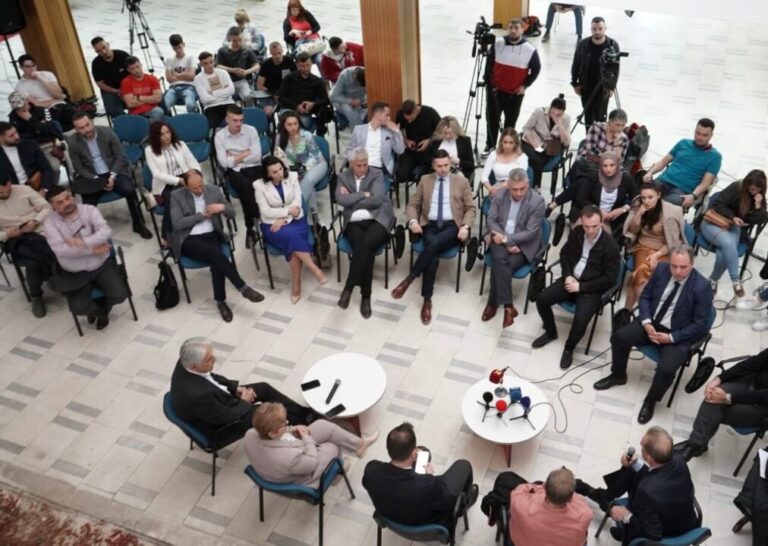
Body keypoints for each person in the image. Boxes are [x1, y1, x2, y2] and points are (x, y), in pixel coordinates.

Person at [594, 246, 713, 424]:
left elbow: (699, 324)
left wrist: (671, 338)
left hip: (677, 336)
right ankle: (618, 375)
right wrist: (646, 321)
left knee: (667, 369)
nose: (677, 271)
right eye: (674, 266)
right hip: (652, 323)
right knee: (620, 337)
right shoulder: (662, 269)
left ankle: (651, 400)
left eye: (683, 267)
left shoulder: (702, 287)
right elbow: (645, 297)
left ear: (692, 264)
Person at [170, 337, 319, 448]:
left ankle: (305, 415)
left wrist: (236, 389)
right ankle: (304, 430)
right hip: (221, 427)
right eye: (209, 359)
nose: (215, 359)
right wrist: (244, 402)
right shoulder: (198, 395)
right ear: (194, 366)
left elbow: (210, 377)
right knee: (269, 413)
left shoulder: (186, 362)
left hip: (219, 402)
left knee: (263, 388)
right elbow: (225, 417)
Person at [391, 150, 476, 325]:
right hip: (429, 225)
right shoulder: (425, 180)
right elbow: (412, 205)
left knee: (433, 244)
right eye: (439, 166)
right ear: (433, 166)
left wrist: (466, 226)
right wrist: (413, 221)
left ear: (450, 164)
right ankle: (427, 300)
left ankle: (410, 280)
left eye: (446, 165)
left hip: (452, 226)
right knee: (432, 253)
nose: (443, 169)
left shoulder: (461, 182)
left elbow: (471, 208)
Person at [170, 170, 264, 322]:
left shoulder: (213, 190)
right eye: (194, 188)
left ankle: (221, 302)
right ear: (186, 186)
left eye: (201, 185)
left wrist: (222, 208)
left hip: (212, 234)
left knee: (216, 262)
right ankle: (242, 288)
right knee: (215, 254)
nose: (199, 190)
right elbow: (177, 223)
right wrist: (201, 215)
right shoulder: (176, 196)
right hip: (189, 238)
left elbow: (232, 213)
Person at [533, 205, 620, 369]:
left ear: (601, 223)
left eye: (594, 226)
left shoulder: (611, 246)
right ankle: (551, 332)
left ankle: (569, 348)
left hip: (591, 289)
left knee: (580, 321)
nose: (590, 230)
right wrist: (567, 275)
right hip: (571, 280)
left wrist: (581, 287)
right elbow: (564, 254)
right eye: (587, 226)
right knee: (542, 299)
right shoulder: (578, 232)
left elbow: (609, 279)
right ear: (581, 222)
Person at [577, 427, 697, 544]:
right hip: (684, 519)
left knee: (617, 506)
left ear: (649, 457)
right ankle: (603, 496)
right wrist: (635, 463)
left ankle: (597, 496)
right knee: (631, 471)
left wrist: (627, 516)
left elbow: (653, 535)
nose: (639, 447)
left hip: (667, 532)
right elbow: (658, 479)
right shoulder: (679, 460)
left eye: (642, 447)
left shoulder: (646, 491)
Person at [362, 422, 479, 530]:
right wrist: (430, 477)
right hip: (427, 524)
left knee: (424, 451)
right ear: (413, 454)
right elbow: (448, 503)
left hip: (391, 516)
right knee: (463, 465)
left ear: (388, 449)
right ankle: (463, 505)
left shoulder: (371, 470)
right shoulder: (427, 484)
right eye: (415, 450)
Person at [43, 186, 128, 330]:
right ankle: (100, 312)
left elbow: (105, 232)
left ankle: (103, 308)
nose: (66, 203)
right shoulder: (50, 224)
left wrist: (82, 243)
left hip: (101, 264)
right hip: (74, 271)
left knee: (120, 295)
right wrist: (92, 249)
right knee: (78, 307)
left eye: (68, 198)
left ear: (72, 196)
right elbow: (61, 250)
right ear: (53, 207)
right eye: (60, 202)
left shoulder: (89, 210)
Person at [244, 401, 378, 486]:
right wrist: (306, 438)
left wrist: (292, 429)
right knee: (331, 447)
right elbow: (311, 463)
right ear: (273, 433)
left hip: (286, 454)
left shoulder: (251, 434)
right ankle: (336, 472)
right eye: (284, 423)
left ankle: (359, 444)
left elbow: (276, 435)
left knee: (322, 425)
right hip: (301, 473)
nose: (287, 423)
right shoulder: (288, 458)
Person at [66, 112, 152, 239]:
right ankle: (92, 232)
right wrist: (97, 180)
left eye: (87, 125)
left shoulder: (107, 132)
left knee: (129, 190)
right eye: (81, 128)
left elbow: (120, 156)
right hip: (93, 176)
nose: (86, 130)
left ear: (92, 121)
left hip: (114, 171)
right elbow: (79, 167)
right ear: (76, 129)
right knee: (88, 202)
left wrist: (112, 175)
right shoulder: (73, 142)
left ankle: (138, 224)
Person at [253, 156, 327, 303]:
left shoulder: (292, 177)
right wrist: (286, 213)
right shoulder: (259, 186)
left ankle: (297, 284)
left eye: (280, 169)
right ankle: (314, 269)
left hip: (296, 220)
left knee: (291, 239)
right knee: (291, 237)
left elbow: (297, 203)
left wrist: (284, 219)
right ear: (268, 174)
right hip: (272, 225)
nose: (280, 173)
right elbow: (265, 212)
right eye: (274, 172)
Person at [673, 348, 768, 462]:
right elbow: (753, 363)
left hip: (762, 406)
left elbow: (763, 396)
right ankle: (696, 445)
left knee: (714, 412)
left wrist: (728, 397)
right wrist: (719, 378)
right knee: (713, 396)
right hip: (752, 382)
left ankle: (695, 445)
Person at [335, 148, 395, 318]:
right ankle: (365, 297)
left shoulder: (376, 174)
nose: (363, 168)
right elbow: (339, 199)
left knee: (364, 246)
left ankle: (348, 288)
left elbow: (376, 200)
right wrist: (363, 194)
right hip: (354, 222)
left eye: (365, 164)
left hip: (378, 220)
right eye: (359, 165)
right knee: (365, 250)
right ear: (351, 164)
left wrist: (352, 199)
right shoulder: (343, 177)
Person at [482, 168, 545, 328]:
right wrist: (505, 240)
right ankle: (508, 307)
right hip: (499, 237)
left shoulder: (537, 201)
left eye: (522, 188)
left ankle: (493, 303)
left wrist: (507, 240)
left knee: (501, 267)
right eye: (514, 189)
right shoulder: (499, 195)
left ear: (528, 184)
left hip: (523, 245)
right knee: (500, 260)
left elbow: (531, 232)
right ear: (508, 185)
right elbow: (491, 220)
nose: (518, 193)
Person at [547, 108, 629, 214]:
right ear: (610, 121)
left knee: (586, 182)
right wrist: (609, 158)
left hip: (604, 170)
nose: (620, 128)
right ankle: (578, 212)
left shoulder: (624, 139)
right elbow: (591, 150)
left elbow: (619, 160)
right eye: (617, 125)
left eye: (623, 125)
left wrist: (617, 143)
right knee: (588, 180)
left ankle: (554, 204)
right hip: (586, 163)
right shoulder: (597, 128)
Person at [700, 170, 767, 297]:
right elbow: (717, 204)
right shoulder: (737, 188)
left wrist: (758, 205)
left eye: (758, 188)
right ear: (747, 183)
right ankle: (735, 280)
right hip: (714, 222)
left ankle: (713, 279)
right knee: (728, 243)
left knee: (724, 252)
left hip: (735, 229)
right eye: (752, 188)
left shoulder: (759, 197)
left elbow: (760, 220)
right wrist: (733, 217)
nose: (754, 191)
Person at [619, 181, 685, 312]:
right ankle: (646, 311)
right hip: (643, 246)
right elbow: (633, 231)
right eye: (643, 198)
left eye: (650, 197)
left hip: (664, 250)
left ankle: (630, 310)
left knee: (646, 273)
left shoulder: (669, 213)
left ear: (659, 195)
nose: (646, 201)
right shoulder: (640, 207)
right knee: (642, 269)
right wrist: (639, 213)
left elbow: (673, 243)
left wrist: (657, 254)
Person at [483, 18, 541, 157]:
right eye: (510, 27)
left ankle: (506, 148)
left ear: (522, 29)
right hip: (495, 92)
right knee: (492, 120)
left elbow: (536, 69)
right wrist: (489, 86)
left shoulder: (530, 49)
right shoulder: (497, 44)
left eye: (516, 28)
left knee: (510, 123)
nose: (513, 31)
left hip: (514, 95)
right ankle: (490, 145)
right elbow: (488, 66)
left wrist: (525, 85)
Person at [0, 176, 55, 317]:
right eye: (1, 193)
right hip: (17, 239)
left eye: (7, 191)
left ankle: (58, 278)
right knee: (33, 262)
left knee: (60, 246)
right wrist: (7, 234)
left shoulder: (24, 189)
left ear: (10, 183)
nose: (4, 195)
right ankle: (37, 295)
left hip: (41, 229)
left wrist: (36, 220)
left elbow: (46, 207)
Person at [643, 118, 722, 209]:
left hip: (682, 190)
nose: (700, 137)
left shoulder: (715, 157)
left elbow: (706, 183)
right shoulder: (683, 143)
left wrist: (693, 195)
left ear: (711, 135)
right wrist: (650, 172)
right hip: (664, 181)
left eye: (705, 135)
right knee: (644, 195)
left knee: (665, 206)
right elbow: (664, 161)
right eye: (698, 133)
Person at [214, 104, 263, 248]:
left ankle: (250, 228)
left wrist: (235, 157)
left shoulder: (251, 130)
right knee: (246, 187)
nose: (239, 124)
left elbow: (257, 156)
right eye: (235, 120)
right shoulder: (220, 136)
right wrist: (246, 153)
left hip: (254, 167)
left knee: (253, 190)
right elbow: (224, 163)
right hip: (234, 171)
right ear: (227, 119)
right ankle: (258, 217)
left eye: (241, 120)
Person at [144, 121, 201, 241]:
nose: (167, 137)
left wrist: (195, 173)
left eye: (168, 132)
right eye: (162, 134)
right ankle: (171, 235)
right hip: (165, 183)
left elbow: (193, 162)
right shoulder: (149, 150)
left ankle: (179, 233)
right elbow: (157, 174)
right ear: (156, 136)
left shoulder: (180, 144)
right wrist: (178, 180)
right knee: (174, 197)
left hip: (185, 177)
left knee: (188, 194)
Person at [507, 467, 592, 546]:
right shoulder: (584, 515)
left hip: (521, 543)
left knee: (506, 477)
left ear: (544, 486)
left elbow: (520, 489)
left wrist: (539, 489)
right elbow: (580, 502)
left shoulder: (521, 505)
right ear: (570, 498)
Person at [274, 110, 327, 216]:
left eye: (295, 123)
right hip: (296, 169)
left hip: (317, 164)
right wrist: (291, 171)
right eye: (289, 124)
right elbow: (278, 158)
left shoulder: (307, 135)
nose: (293, 127)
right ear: (284, 125)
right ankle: (313, 216)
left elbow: (316, 156)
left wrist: (303, 169)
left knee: (308, 180)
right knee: (308, 186)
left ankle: (297, 209)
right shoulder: (279, 138)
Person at [571, 17, 620, 127]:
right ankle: (589, 136)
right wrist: (574, 83)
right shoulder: (583, 45)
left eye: (600, 29)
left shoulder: (613, 45)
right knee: (588, 115)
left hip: (604, 88)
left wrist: (612, 87)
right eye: (594, 29)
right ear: (591, 29)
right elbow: (576, 64)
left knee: (601, 116)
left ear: (605, 28)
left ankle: (599, 136)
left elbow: (616, 70)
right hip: (586, 85)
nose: (597, 32)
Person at [571, 150, 638, 232]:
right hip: (590, 211)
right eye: (605, 166)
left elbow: (637, 198)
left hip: (611, 217)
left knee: (603, 235)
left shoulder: (626, 179)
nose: (608, 169)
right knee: (583, 231)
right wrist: (597, 210)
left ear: (617, 165)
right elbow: (581, 197)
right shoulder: (594, 176)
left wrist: (623, 209)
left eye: (612, 165)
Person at [7, 92, 64, 185]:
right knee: (28, 173)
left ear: (27, 100)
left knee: (54, 167)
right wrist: (38, 129)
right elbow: (19, 137)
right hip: (28, 150)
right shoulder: (13, 117)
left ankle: (53, 186)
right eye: (17, 108)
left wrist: (30, 119)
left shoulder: (41, 110)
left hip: (46, 146)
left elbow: (49, 130)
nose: (21, 109)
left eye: (22, 105)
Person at [521, 95, 571, 189]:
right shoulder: (539, 112)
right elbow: (526, 129)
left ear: (563, 113)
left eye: (558, 114)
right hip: (530, 142)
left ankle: (533, 187)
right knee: (537, 159)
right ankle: (536, 187)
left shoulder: (566, 119)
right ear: (550, 108)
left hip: (548, 148)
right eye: (553, 112)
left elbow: (566, 142)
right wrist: (534, 145)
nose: (554, 116)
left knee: (539, 159)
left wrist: (560, 124)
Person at [277, 52, 332, 136]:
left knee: (298, 126)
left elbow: (326, 100)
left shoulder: (317, 81)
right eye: (302, 66)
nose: (306, 68)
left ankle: (303, 138)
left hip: (307, 112)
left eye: (308, 65)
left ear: (311, 64)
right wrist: (296, 106)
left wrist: (313, 104)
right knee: (290, 125)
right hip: (289, 109)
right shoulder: (289, 78)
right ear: (297, 65)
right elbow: (281, 97)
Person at [346, 102, 405, 179]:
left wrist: (397, 132)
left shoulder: (389, 132)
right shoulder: (359, 130)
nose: (389, 118)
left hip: (380, 170)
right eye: (387, 115)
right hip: (362, 167)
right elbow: (350, 149)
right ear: (377, 114)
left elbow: (400, 150)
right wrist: (352, 161)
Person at [14, 54, 71, 131]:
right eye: (28, 66)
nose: (32, 68)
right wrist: (55, 100)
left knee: (75, 115)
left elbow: (58, 94)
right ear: (21, 67)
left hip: (62, 106)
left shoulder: (47, 74)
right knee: (59, 121)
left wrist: (41, 78)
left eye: (33, 65)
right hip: (45, 111)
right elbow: (36, 104)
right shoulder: (20, 86)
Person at [394, 100, 441, 183]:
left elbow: (441, 131)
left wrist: (429, 141)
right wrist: (405, 140)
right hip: (410, 150)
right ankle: (416, 172)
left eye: (411, 119)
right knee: (401, 176)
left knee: (424, 177)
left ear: (416, 110)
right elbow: (397, 131)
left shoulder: (430, 113)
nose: (409, 122)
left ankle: (420, 174)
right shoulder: (400, 114)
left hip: (428, 149)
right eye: (407, 120)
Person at [0, 122, 55, 192]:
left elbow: (47, 169)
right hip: (13, 192)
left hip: (37, 187)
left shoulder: (29, 145)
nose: (17, 137)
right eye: (11, 136)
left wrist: (43, 190)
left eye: (16, 132)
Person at [193, 51, 236, 132]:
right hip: (211, 107)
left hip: (228, 103)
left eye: (211, 62)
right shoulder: (198, 78)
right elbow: (205, 99)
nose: (210, 65)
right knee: (212, 129)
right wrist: (224, 93)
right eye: (206, 63)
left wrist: (213, 93)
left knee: (237, 121)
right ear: (201, 65)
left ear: (214, 61)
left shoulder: (223, 72)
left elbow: (231, 90)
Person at [217, 27, 260, 106]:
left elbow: (257, 66)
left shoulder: (247, 50)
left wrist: (246, 72)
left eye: (239, 40)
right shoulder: (222, 51)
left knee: (248, 96)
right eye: (234, 40)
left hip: (241, 81)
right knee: (220, 98)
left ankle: (249, 112)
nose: (237, 43)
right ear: (230, 38)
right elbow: (218, 66)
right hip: (225, 82)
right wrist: (232, 70)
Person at [423, 116, 474, 180]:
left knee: (459, 178)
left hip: (456, 172)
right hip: (436, 171)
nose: (448, 136)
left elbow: (471, 166)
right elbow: (425, 160)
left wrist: (458, 161)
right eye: (445, 133)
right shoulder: (435, 140)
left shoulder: (464, 141)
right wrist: (437, 161)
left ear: (456, 131)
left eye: (450, 133)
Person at [481, 128, 529, 197]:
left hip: (516, 191)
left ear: (515, 144)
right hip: (497, 192)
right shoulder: (493, 155)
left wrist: (500, 186)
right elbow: (484, 177)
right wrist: (491, 189)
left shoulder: (522, 157)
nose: (507, 146)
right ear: (501, 142)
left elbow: (518, 179)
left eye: (511, 143)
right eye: (505, 142)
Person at [90, 37, 130, 118]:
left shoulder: (123, 55)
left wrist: (126, 89)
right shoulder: (96, 63)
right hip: (110, 90)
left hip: (128, 86)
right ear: (96, 52)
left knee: (137, 104)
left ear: (108, 44)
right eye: (99, 51)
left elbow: (133, 72)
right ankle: (124, 122)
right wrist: (115, 91)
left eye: (104, 47)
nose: (103, 52)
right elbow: (100, 83)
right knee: (114, 112)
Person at [256, 42, 296, 116]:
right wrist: (273, 95)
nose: (277, 56)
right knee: (268, 112)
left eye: (279, 53)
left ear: (282, 51)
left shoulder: (289, 62)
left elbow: (295, 81)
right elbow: (259, 86)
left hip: (286, 92)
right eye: (274, 54)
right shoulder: (265, 65)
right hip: (269, 93)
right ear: (271, 53)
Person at [120, 56, 164, 123]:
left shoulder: (152, 79)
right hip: (135, 112)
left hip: (152, 109)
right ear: (128, 70)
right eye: (132, 69)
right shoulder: (125, 82)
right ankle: (148, 127)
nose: (136, 70)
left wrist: (138, 97)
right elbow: (130, 104)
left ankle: (146, 127)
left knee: (159, 112)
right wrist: (150, 99)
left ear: (141, 65)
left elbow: (158, 98)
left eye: (137, 66)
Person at [162, 34, 199, 114]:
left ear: (183, 44)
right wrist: (185, 74)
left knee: (190, 105)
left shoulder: (191, 57)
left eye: (179, 47)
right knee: (164, 105)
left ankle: (195, 118)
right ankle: (168, 120)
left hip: (189, 87)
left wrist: (175, 75)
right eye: (175, 48)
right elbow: (169, 78)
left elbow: (191, 76)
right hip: (173, 88)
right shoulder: (169, 59)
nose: (178, 50)